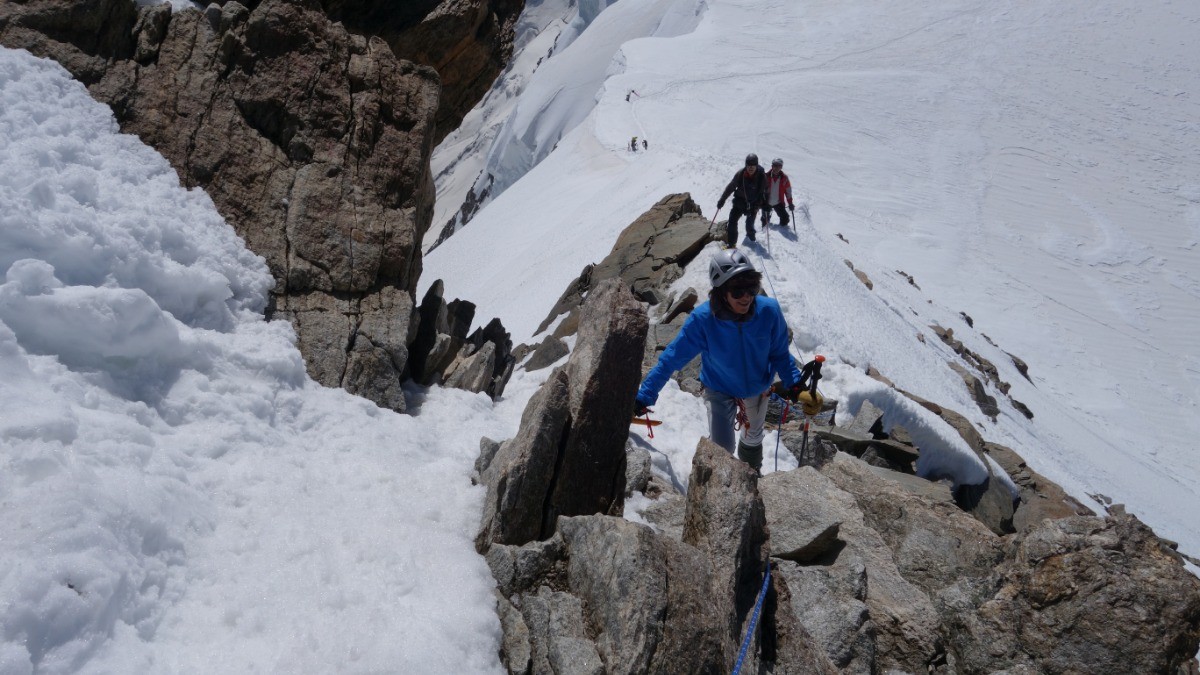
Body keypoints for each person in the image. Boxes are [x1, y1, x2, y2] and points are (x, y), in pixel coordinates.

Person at [634, 249, 807, 473]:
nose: (746, 296)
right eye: (737, 291)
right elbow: (671, 359)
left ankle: (751, 477)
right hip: (719, 388)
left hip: (757, 386)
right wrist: (644, 396)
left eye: (751, 287)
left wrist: (795, 384)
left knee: (753, 439)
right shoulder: (703, 320)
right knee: (722, 448)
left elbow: (780, 354)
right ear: (722, 291)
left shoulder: (769, 312)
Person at [716, 154, 767, 246]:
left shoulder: (761, 177)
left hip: (753, 204)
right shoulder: (740, 174)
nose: (750, 167)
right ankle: (732, 244)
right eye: (749, 165)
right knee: (732, 221)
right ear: (746, 165)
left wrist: (765, 205)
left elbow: (764, 192)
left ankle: (751, 243)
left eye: (753, 165)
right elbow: (731, 187)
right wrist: (722, 200)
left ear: (756, 165)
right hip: (739, 202)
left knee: (749, 225)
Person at [761, 158, 794, 228]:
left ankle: (782, 232)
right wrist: (762, 202)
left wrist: (790, 203)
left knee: (785, 219)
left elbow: (788, 192)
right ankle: (764, 232)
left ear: (781, 167)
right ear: (772, 166)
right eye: (775, 166)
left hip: (778, 203)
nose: (776, 168)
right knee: (765, 222)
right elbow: (760, 190)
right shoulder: (766, 176)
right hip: (767, 203)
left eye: (779, 166)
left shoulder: (784, 178)